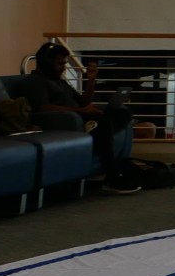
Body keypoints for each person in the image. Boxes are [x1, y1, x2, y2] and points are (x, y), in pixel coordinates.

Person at [20, 42, 133, 178]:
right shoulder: (35, 81)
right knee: (104, 124)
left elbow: (84, 101)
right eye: (60, 64)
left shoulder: (60, 81)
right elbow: (42, 107)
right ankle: (112, 174)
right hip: (69, 121)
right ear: (46, 63)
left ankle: (95, 132)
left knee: (123, 113)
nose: (63, 68)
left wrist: (91, 81)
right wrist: (81, 111)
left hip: (82, 116)